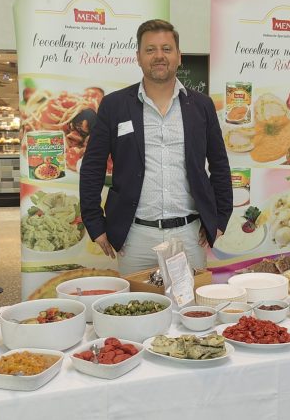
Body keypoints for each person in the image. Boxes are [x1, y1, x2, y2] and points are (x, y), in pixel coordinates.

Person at [79, 19, 233, 275]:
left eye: (166, 49)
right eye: (150, 49)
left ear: (179, 56)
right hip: (134, 237)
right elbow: (92, 168)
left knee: (189, 300)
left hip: (189, 235)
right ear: (138, 57)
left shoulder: (202, 105)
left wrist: (220, 219)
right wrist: (95, 224)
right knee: (137, 301)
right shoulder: (114, 105)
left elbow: (219, 164)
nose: (159, 56)